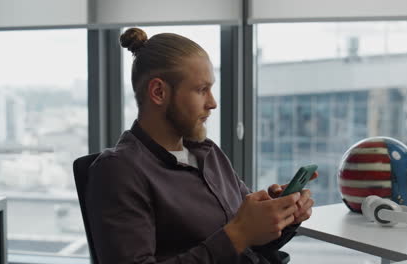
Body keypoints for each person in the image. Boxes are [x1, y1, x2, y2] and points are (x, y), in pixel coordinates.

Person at [85, 27, 317, 264]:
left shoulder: (208, 152)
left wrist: (283, 217)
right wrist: (238, 234)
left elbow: (252, 243)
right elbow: (239, 238)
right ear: (158, 92)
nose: (213, 103)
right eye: (201, 89)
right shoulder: (118, 171)